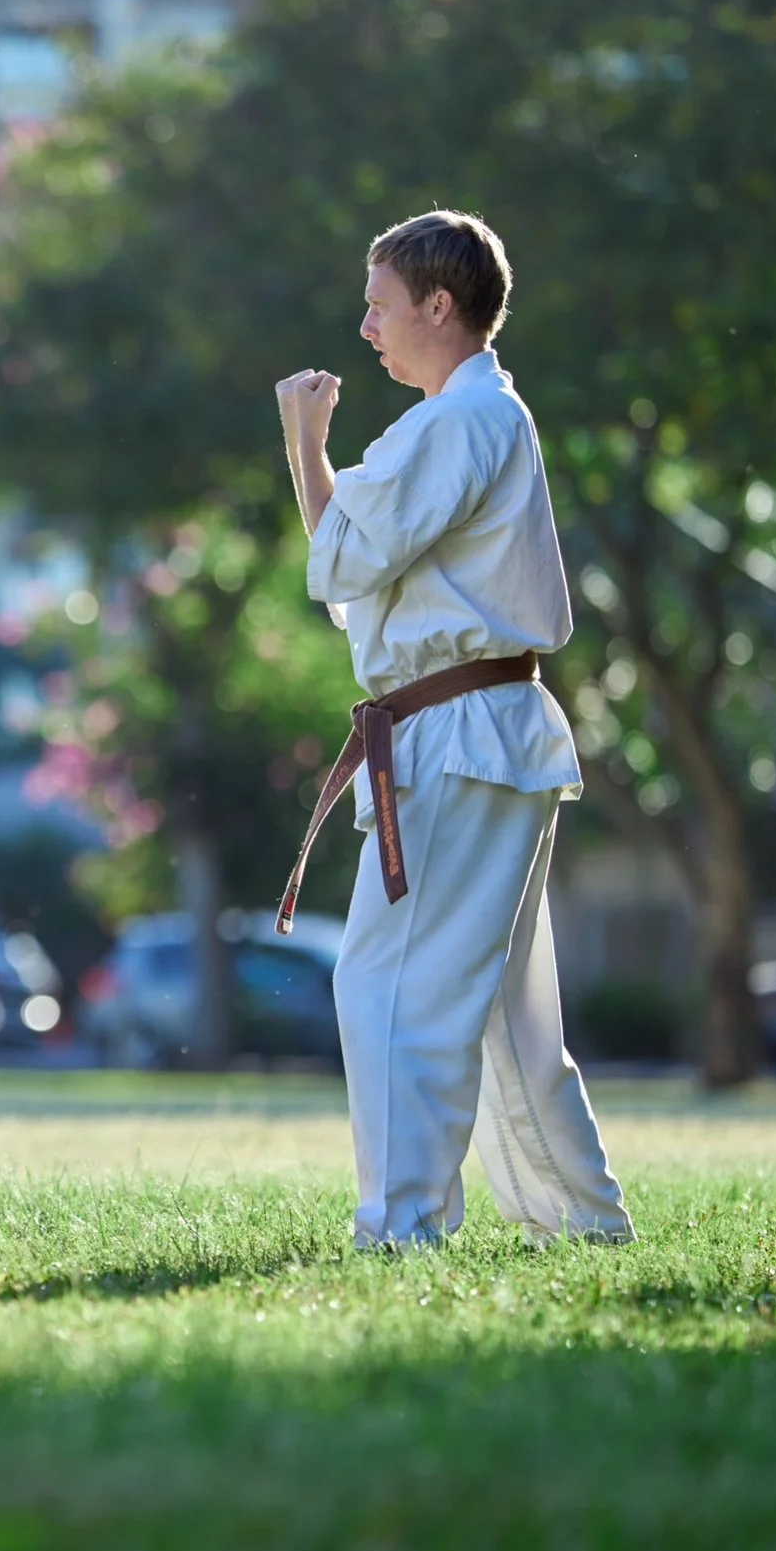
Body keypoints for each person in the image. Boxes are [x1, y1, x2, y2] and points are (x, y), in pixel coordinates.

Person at [277, 209, 634, 1251]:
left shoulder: (456, 421)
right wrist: (315, 456)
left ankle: (402, 1223)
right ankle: (577, 1218)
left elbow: (340, 559)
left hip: (459, 728)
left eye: (380, 304)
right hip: (480, 722)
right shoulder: (474, 418)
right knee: (502, 1008)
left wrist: (304, 440)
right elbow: (353, 564)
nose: (366, 325)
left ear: (440, 304)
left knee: (391, 980)